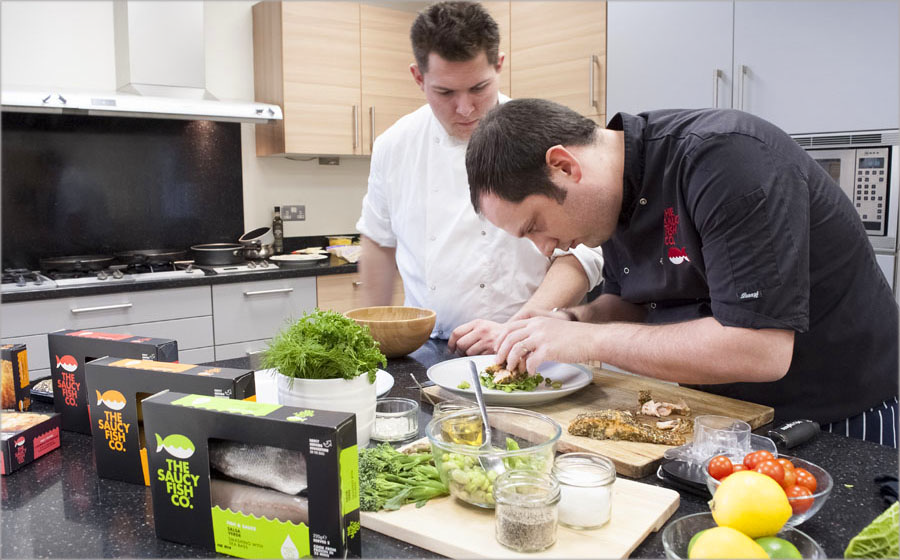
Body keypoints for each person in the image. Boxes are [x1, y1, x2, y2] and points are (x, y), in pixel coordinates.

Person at [465, 98, 899, 446]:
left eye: (535, 225)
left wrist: (588, 340)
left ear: (564, 167)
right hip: (732, 415)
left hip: (838, 417)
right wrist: (571, 319)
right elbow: (633, 303)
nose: (545, 247)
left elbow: (760, 349)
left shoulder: (726, 161)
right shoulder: (608, 203)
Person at [355, 1, 604, 355]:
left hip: (535, 343)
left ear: (499, 64)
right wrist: (372, 340)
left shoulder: (544, 135)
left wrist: (518, 328)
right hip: (430, 347)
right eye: (445, 92)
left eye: (478, 88)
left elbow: (584, 252)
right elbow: (379, 242)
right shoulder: (394, 146)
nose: (465, 109)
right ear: (418, 77)